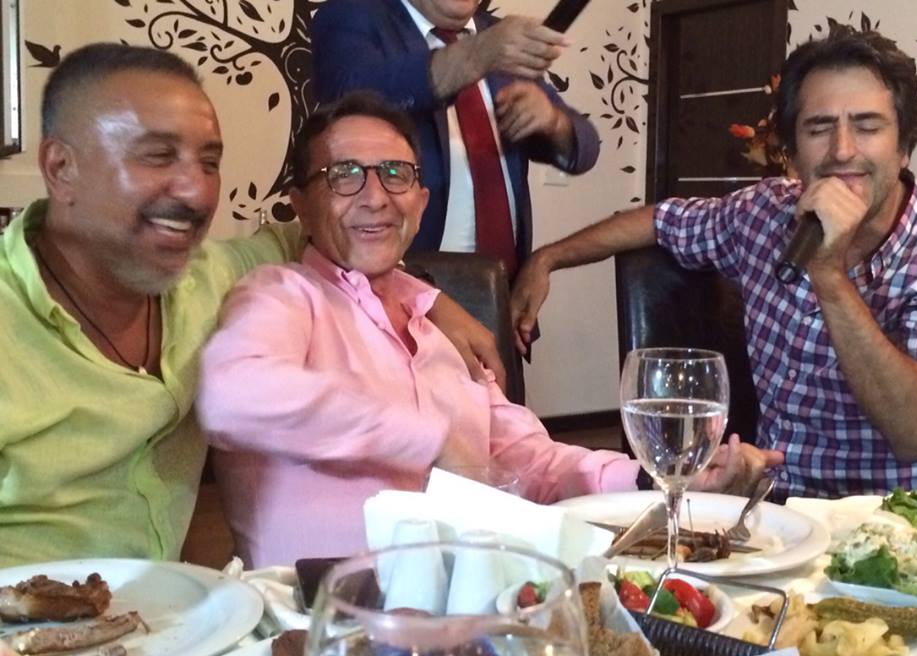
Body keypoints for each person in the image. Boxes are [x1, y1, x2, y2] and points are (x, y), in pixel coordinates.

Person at [195, 91, 781, 567]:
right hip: (322, 622)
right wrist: (427, 439)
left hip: (473, 606)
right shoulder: (282, 295)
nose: (376, 197)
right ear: (300, 203)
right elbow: (231, 396)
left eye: (396, 174)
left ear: (420, 200)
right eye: (344, 175)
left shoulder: (441, 328)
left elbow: (530, 461)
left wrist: (658, 480)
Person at [0, 43, 499, 569]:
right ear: (61, 168)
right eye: (158, 156)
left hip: (174, 608)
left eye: (209, 162)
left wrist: (432, 299)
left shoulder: (210, 275)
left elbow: (338, 231)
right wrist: (425, 437)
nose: (196, 191)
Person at [510, 26, 917, 499]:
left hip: (901, 517)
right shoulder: (764, 212)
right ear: (791, 152)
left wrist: (828, 274)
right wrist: (548, 258)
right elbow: (661, 221)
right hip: (772, 508)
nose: (842, 149)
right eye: (818, 128)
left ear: (904, 147)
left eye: (867, 127)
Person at [310, 0, 600, 275]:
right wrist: (479, 54)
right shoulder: (353, 16)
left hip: (502, 289)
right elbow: (351, 97)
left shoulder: (497, 33)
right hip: (401, 286)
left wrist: (552, 121)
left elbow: (584, 147)